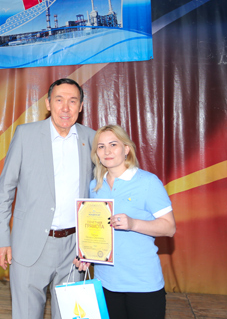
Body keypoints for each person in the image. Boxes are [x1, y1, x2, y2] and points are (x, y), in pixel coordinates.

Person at [0, 78, 96, 319]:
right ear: (48, 104)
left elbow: (100, 194)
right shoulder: (26, 135)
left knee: (71, 316)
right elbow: (5, 190)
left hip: (74, 251)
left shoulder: (92, 139)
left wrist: (91, 247)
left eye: (73, 101)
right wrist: (1, 238)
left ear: (81, 107)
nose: (65, 108)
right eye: (59, 100)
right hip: (29, 246)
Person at [75, 124, 176, 319]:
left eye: (113, 144)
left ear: (126, 149)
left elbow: (169, 227)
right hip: (105, 283)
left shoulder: (148, 182)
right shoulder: (94, 187)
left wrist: (133, 224)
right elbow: (94, 231)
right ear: (96, 153)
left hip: (142, 284)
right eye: (101, 146)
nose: (107, 151)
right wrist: (86, 255)